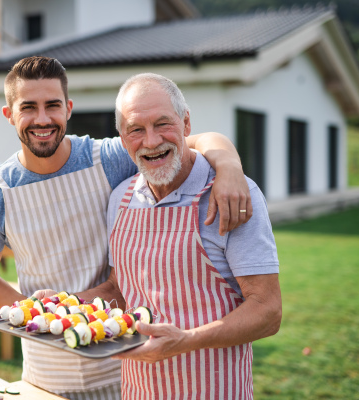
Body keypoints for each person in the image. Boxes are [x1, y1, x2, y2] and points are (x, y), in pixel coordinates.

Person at [0, 56, 253, 400]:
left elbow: (197, 138)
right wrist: (37, 317)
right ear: (9, 114)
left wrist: (229, 166)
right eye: (29, 107)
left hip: (124, 362)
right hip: (46, 372)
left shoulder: (108, 158)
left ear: (68, 108)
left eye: (52, 105)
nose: (42, 119)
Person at [98, 73, 280, 398]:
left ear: (186, 124)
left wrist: (187, 340)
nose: (151, 141)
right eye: (136, 129)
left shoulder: (231, 194)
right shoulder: (120, 198)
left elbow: (267, 311)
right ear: (123, 138)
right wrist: (57, 305)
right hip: (138, 390)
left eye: (162, 124)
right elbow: (118, 289)